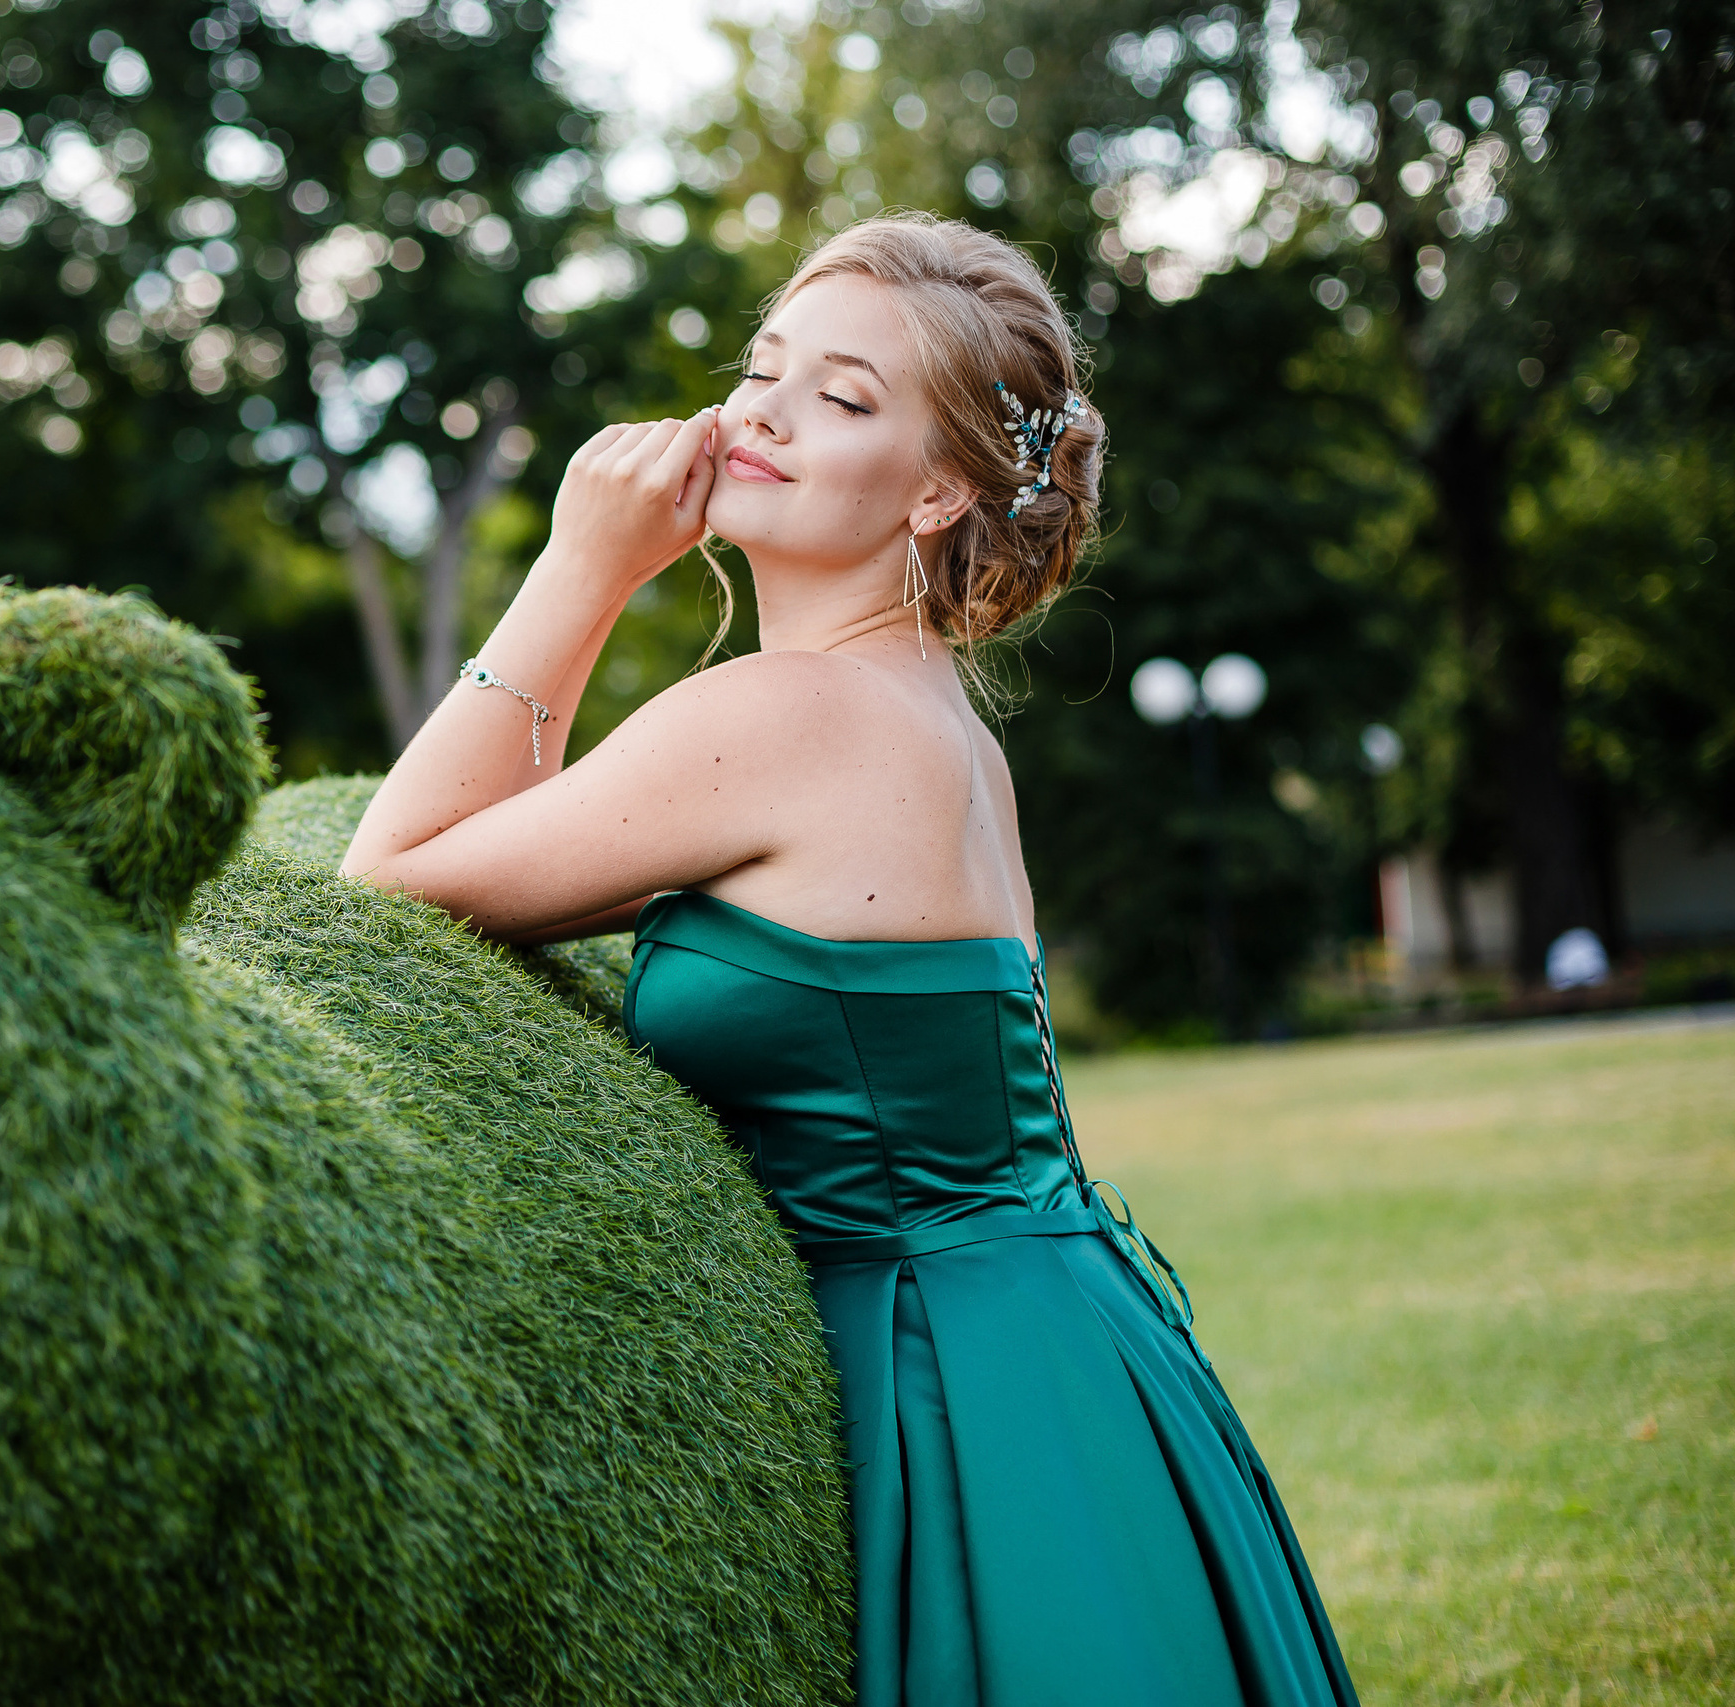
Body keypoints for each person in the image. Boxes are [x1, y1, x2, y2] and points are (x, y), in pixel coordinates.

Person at [340, 212, 1360, 1706]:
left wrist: (584, 569)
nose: (763, 409)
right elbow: (505, 842)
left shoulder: (780, 717)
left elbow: (387, 879)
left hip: (938, 1394)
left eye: (844, 396)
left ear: (941, 489)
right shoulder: (934, 712)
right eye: (764, 368)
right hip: (1071, 1357)